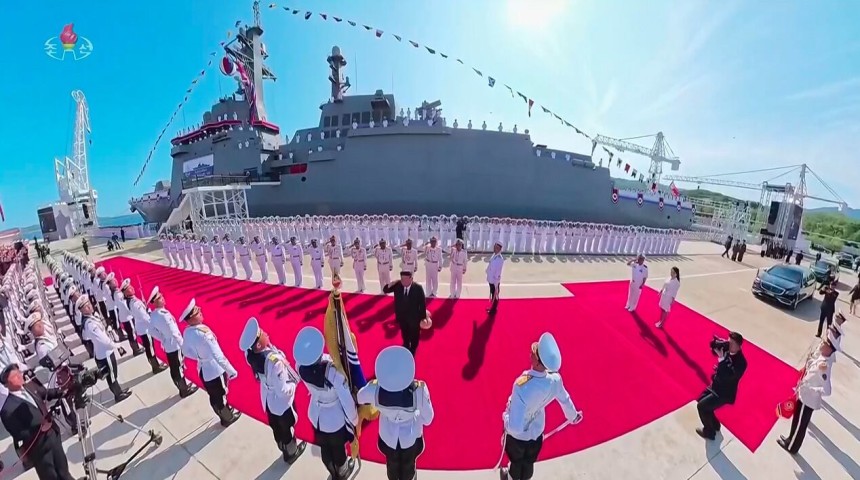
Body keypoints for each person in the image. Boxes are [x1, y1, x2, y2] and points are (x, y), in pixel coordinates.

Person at [500, 333, 582, 480]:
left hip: (517, 438)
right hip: (537, 433)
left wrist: (505, 417)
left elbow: (515, 428)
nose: (531, 352)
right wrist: (573, 416)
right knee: (529, 461)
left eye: (534, 353)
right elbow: (565, 400)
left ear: (538, 363)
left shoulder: (521, 386)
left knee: (517, 462)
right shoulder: (555, 380)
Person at [357, 346, 434, 480]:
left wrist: (374, 386)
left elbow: (360, 397)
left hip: (388, 437)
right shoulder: (419, 391)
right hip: (410, 438)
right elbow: (428, 419)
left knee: (391, 466)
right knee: (408, 466)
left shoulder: (375, 389)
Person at [293, 326, 358, 480]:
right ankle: (341, 472)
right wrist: (354, 419)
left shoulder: (299, 366)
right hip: (334, 418)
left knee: (325, 448)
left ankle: (333, 471)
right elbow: (346, 399)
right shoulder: (333, 371)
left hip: (317, 414)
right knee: (338, 449)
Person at [240, 317, 307, 463]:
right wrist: (293, 385)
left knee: (276, 427)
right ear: (258, 344)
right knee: (287, 428)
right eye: (262, 333)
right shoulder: (274, 362)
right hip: (281, 403)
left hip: (268, 399)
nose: (265, 333)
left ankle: (283, 448)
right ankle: (291, 452)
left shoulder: (250, 355)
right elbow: (282, 390)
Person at [0, 364, 76, 480]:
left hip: (53, 436)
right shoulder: (8, 409)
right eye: (15, 376)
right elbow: (19, 434)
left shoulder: (30, 386)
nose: (20, 376)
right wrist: (39, 429)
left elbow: (46, 393)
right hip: (40, 449)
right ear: (7, 384)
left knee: (64, 473)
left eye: (19, 373)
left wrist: (63, 391)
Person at [180, 298, 241, 427]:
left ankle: (224, 412)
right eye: (197, 312)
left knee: (214, 395)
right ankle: (227, 418)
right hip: (215, 371)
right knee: (221, 395)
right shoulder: (204, 334)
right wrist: (231, 371)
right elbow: (219, 357)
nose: (200, 311)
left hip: (204, 370)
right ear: (191, 319)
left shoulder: (188, 332)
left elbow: (185, 351)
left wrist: (199, 357)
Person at [777, 339, 836, 454]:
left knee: (800, 425)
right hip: (804, 395)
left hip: (808, 400)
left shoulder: (824, 365)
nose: (822, 343)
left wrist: (811, 389)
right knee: (796, 420)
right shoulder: (821, 358)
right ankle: (790, 439)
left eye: (825, 343)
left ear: (829, 349)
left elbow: (827, 390)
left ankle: (792, 447)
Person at [77, 295, 132, 403]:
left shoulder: (92, 318)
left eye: (89, 304)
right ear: (82, 311)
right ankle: (118, 395)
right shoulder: (90, 324)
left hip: (106, 351)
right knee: (111, 375)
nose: (89, 307)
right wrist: (116, 345)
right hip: (104, 353)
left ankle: (119, 390)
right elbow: (102, 340)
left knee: (113, 373)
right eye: (86, 307)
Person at [696, 331, 747, 440]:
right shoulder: (727, 350)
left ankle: (709, 432)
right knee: (701, 399)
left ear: (739, 346)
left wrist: (722, 360)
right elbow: (714, 350)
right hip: (716, 385)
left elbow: (730, 376)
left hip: (724, 393)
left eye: (732, 344)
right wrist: (716, 344)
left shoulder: (742, 363)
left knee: (701, 406)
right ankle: (715, 425)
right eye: (729, 342)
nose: (729, 345)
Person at [148, 287, 198, 398]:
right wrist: (183, 345)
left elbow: (151, 330)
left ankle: (181, 386)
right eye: (159, 297)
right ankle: (184, 390)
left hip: (168, 344)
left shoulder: (154, 314)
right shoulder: (163, 315)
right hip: (175, 344)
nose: (163, 298)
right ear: (154, 302)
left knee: (174, 367)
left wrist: (163, 338)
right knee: (178, 367)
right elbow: (174, 333)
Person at [120, 280, 168, 375]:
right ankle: (155, 366)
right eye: (129, 288)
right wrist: (154, 323)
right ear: (125, 293)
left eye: (131, 286)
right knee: (150, 348)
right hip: (145, 328)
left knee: (149, 347)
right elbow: (145, 317)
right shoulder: (135, 303)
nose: (132, 288)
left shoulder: (132, 300)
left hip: (142, 327)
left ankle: (155, 364)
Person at [382, 271, 428, 355]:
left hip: (414, 317)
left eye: (405, 279)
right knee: (404, 333)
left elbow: (422, 303)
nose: (403, 281)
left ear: (411, 279)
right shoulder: (398, 285)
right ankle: (406, 345)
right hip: (402, 316)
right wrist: (391, 283)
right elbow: (385, 290)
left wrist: (423, 318)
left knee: (414, 335)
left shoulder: (418, 288)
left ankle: (413, 349)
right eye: (402, 279)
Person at [486, 241, 505, 315]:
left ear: (499, 249)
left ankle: (494, 310)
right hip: (491, 279)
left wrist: (496, 282)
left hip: (495, 281)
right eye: (494, 247)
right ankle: (492, 307)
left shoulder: (500, 259)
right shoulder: (494, 255)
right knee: (492, 293)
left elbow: (498, 271)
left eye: (496, 248)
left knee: (495, 295)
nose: (494, 249)